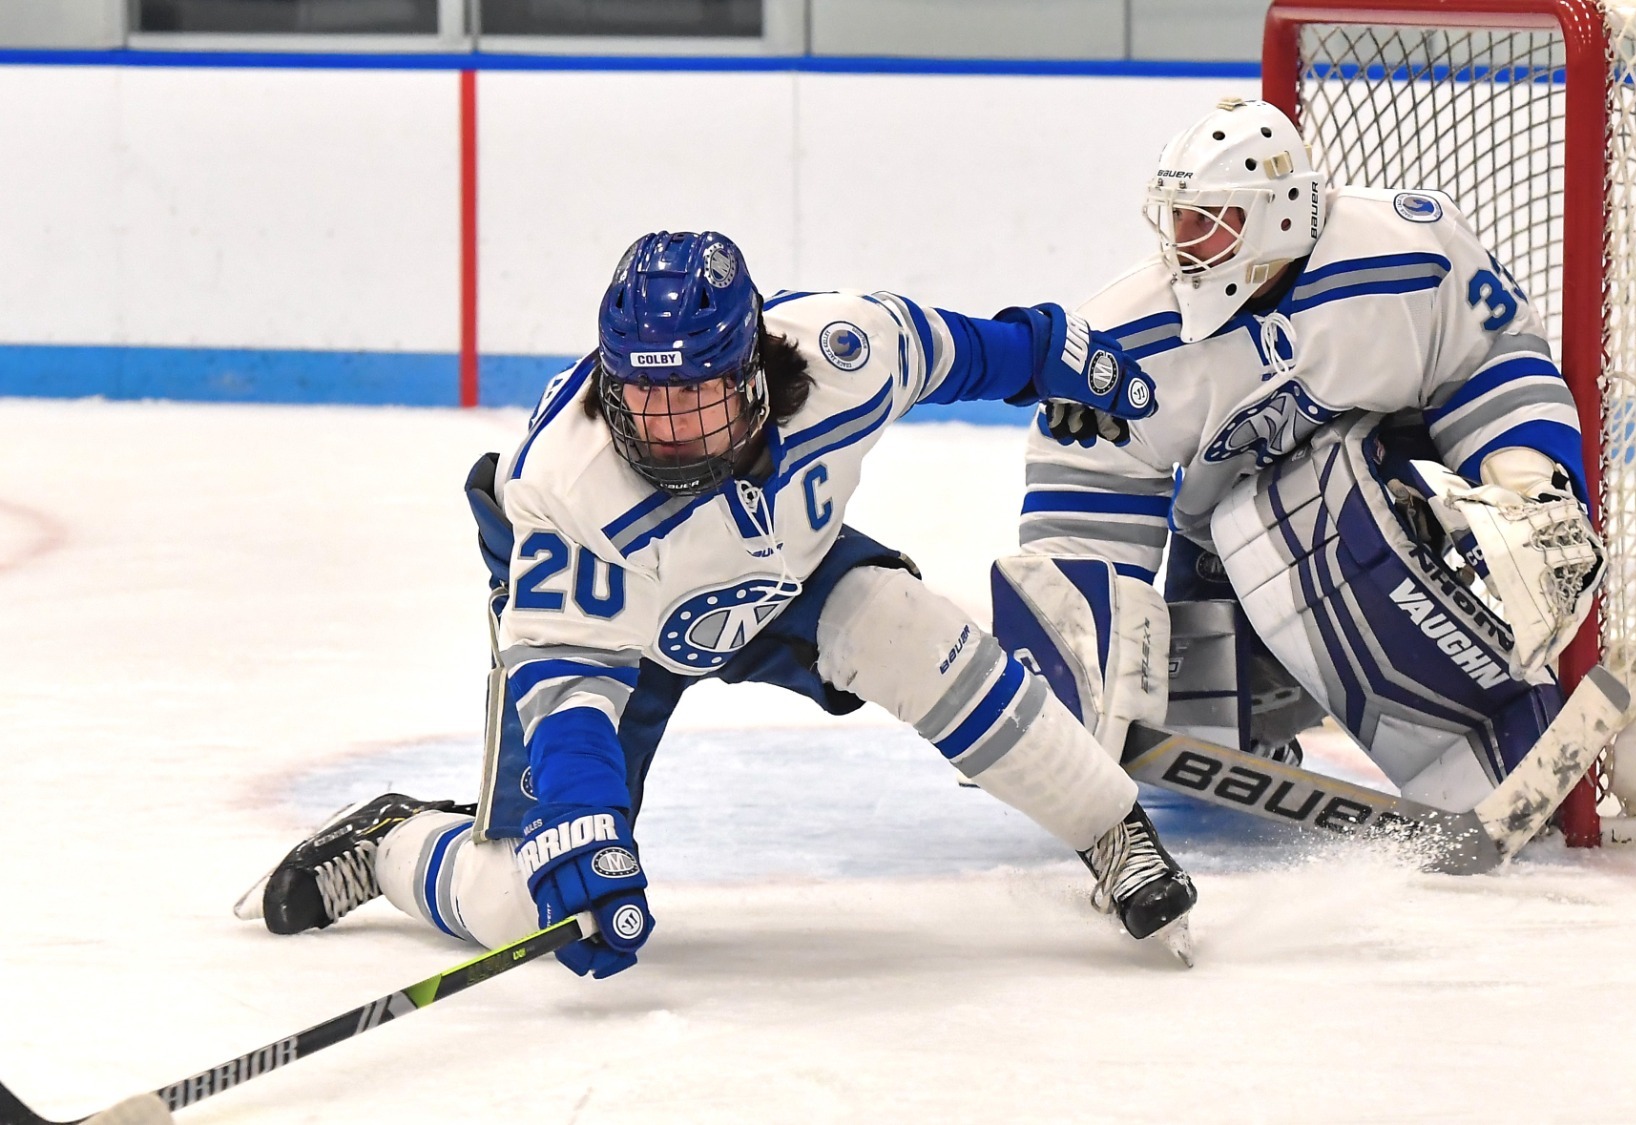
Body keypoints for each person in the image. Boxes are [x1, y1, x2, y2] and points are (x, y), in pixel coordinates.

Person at [237, 230, 1195, 976]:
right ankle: (396, 836)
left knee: (901, 624)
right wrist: (581, 818)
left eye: (694, 401)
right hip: (623, 635)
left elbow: (965, 349)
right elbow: (567, 678)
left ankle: (1111, 829)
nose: (666, 432)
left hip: (791, 579)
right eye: (644, 404)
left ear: (752, 373)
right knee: (521, 904)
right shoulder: (565, 488)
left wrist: (1055, 356)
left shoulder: (842, 351)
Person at [992, 98, 1606, 817]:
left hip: (1395, 504)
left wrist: (1528, 480)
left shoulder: (1407, 249)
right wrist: (1078, 646)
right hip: (1222, 544)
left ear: (1278, 214)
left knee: (1306, 508)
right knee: (1201, 728)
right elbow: (1093, 484)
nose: (1184, 240)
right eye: (1178, 215)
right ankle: (1273, 698)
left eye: (1208, 218)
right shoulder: (1126, 336)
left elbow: (1488, 357)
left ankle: (1487, 735)